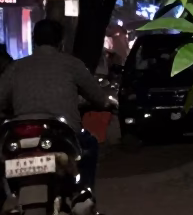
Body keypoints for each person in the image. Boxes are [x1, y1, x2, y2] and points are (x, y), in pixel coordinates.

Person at [0, 19, 116, 191]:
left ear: (34, 40)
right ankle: (83, 193)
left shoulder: (16, 68)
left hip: (19, 130)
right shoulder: (73, 65)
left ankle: (8, 198)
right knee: (89, 144)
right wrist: (108, 104)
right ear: (61, 41)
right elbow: (98, 97)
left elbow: (1, 101)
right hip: (62, 130)